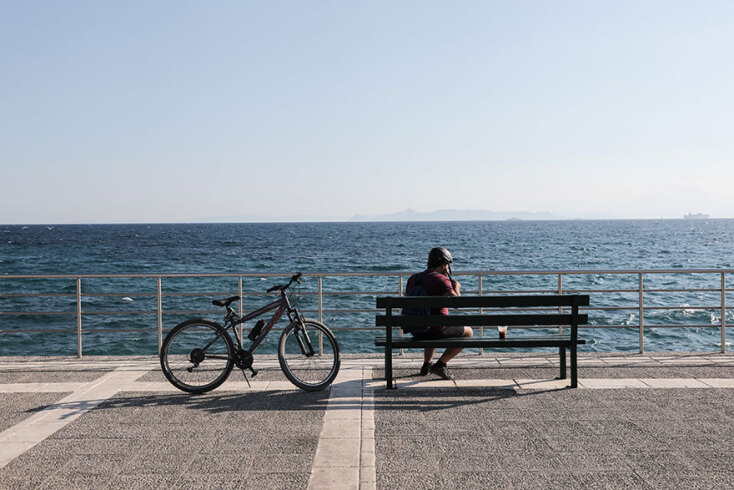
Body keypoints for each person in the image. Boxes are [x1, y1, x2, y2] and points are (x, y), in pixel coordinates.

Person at [404, 247, 473, 380]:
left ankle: (427, 365)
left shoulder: (413, 278)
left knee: (431, 322)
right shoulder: (442, 280)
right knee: (468, 332)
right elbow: (457, 304)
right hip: (433, 330)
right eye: (448, 265)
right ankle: (440, 364)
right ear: (444, 264)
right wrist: (457, 288)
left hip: (416, 329)